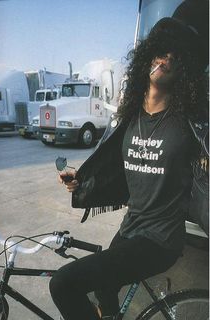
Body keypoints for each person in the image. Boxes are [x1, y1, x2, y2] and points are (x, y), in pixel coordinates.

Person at [49, 0, 208, 319]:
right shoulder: (131, 117)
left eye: (176, 52)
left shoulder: (191, 123)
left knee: (63, 284)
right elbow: (117, 164)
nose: (166, 55)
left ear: (186, 69)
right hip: (131, 229)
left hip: (160, 241)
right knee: (104, 289)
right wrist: (82, 179)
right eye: (161, 47)